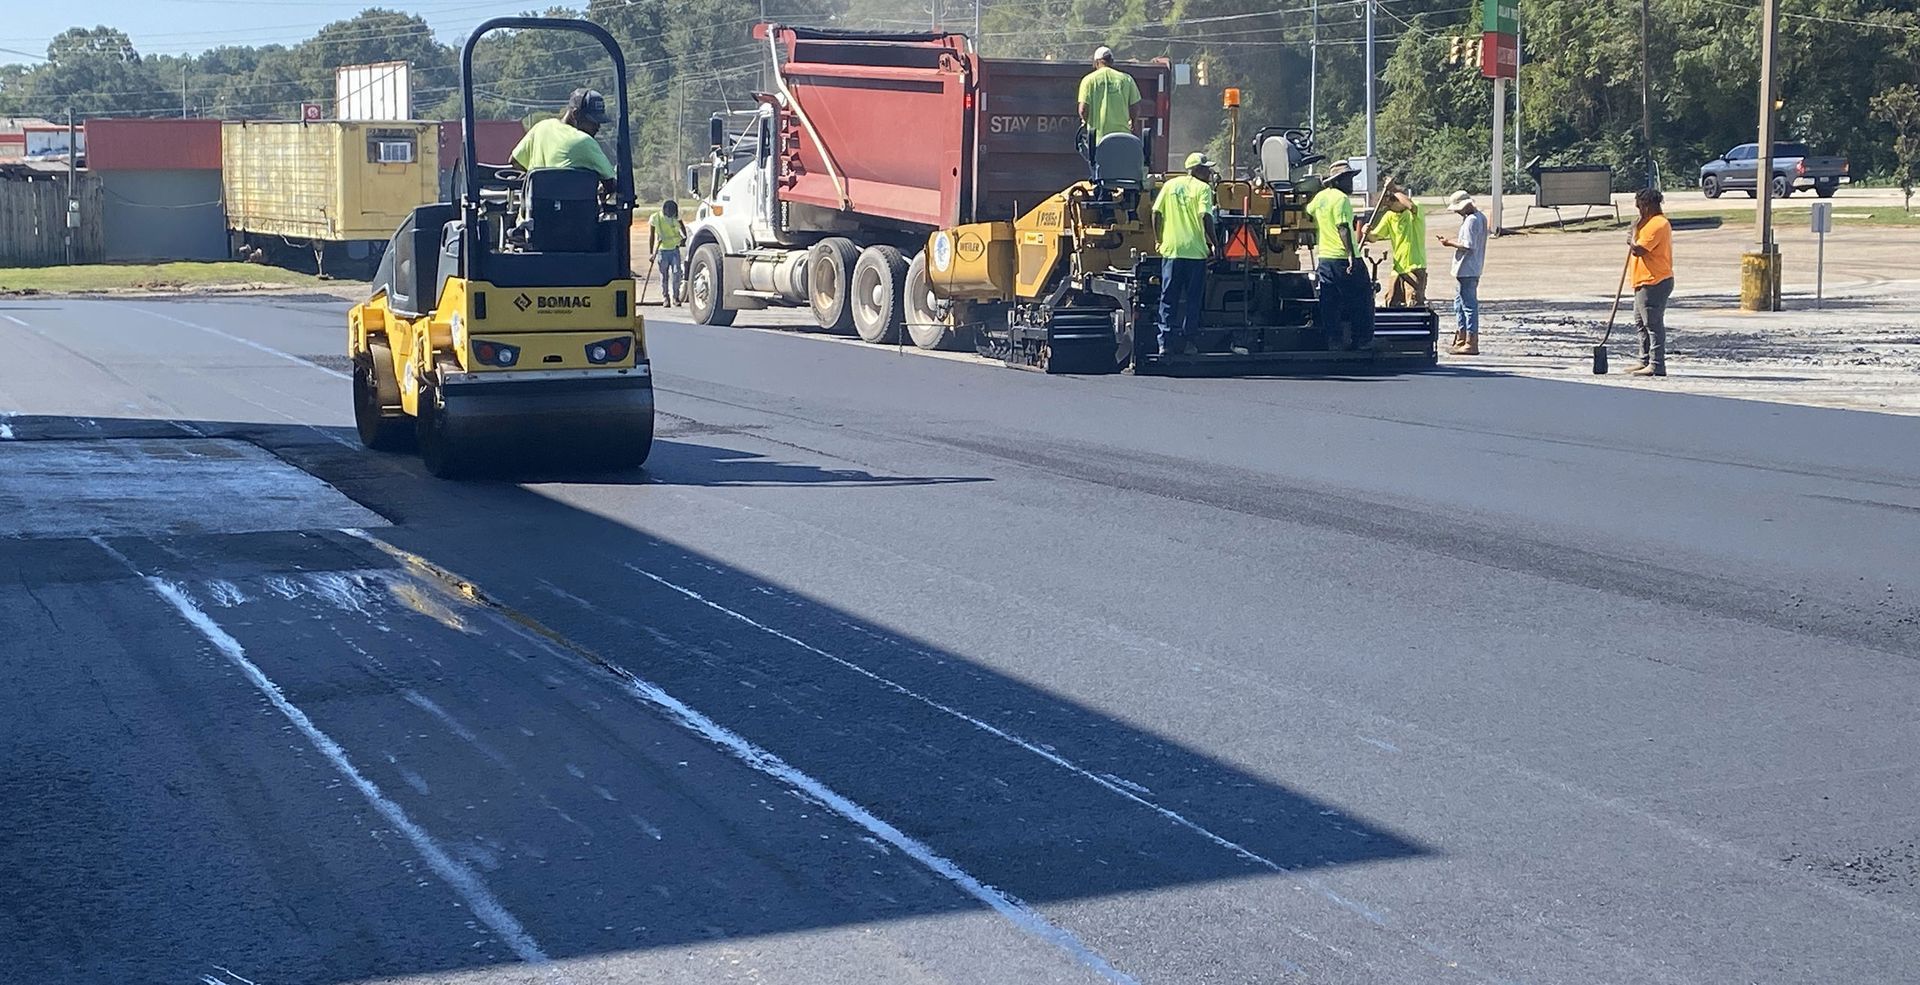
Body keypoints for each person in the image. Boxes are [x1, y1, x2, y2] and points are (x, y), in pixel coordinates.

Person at [1152, 152, 1217, 356]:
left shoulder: (1170, 185)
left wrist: (1158, 240)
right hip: (1195, 253)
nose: (1210, 172)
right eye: (1206, 168)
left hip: (1171, 251)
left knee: (1168, 298)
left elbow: (1155, 212)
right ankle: (1189, 342)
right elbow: (1205, 215)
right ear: (1196, 170)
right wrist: (1215, 243)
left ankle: (1165, 343)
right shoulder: (1203, 189)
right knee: (1193, 299)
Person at [1306, 161, 1372, 350]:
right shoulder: (1341, 199)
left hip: (1325, 258)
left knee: (1330, 301)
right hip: (1343, 257)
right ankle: (1362, 340)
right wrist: (1351, 255)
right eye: (1349, 179)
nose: (1351, 184)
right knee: (1361, 299)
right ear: (1339, 181)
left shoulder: (1320, 198)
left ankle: (1333, 340)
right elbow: (1343, 227)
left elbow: (1309, 212)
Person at [510, 87, 617, 191]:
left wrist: (537, 184)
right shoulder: (584, 141)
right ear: (576, 114)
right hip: (574, 208)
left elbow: (514, 161)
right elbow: (612, 182)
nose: (598, 127)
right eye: (593, 121)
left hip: (537, 207)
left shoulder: (541, 127)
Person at [1627, 187, 1674, 377]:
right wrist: (1635, 229)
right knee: (1640, 322)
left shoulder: (1658, 224)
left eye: (1641, 207)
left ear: (1649, 205)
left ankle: (1657, 364)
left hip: (1655, 281)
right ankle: (1644, 359)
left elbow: (1640, 250)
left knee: (1653, 324)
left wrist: (1631, 239)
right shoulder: (1647, 224)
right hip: (1642, 280)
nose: (1639, 211)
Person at [1435, 190, 1487, 355]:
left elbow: (1468, 245)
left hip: (1467, 268)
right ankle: (1462, 336)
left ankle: (1471, 341)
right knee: (1459, 304)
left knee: (1468, 305)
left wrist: (1449, 243)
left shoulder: (1472, 220)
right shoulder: (1479, 218)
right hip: (1469, 268)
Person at [1365, 177, 1427, 307]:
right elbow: (1374, 237)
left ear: (1398, 200)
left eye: (1389, 204)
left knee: (1413, 303)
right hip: (1398, 268)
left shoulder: (1414, 210)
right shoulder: (1389, 216)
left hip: (1414, 266)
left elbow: (1410, 205)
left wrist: (1393, 189)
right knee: (1391, 301)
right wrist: (1367, 232)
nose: (1388, 208)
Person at [1078, 46, 1142, 143]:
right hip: (1123, 137)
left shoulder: (1088, 80)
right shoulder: (1127, 79)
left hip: (1098, 139)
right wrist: (1133, 123)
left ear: (1096, 62)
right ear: (1111, 61)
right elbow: (1135, 107)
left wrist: (1086, 122)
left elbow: (1083, 110)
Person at [648, 200, 688, 305]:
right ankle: (666, 298)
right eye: (669, 212)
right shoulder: (655, 218)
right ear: (664, 210)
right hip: (662, 251)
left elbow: (683, 229)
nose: (671, 214)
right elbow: (651, 236)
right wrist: (651, 253)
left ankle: (676, 297)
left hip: (675, 249)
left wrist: (684, 239)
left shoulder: (676, 217)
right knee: (664, 275)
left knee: (676, 274)